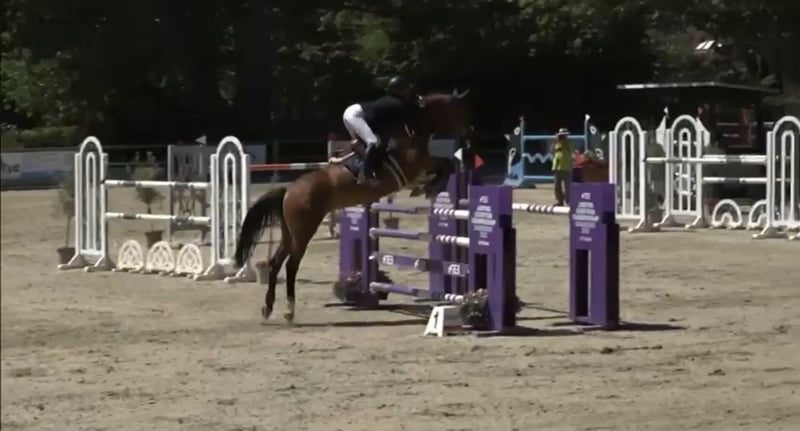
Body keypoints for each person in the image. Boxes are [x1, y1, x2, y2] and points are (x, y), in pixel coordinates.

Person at [332, 76, 419, 181]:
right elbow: (407, 118)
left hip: (355, 113)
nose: (409, 91)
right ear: (400, 90)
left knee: (364, 145)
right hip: (356, 115)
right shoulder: (397, 104)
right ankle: (365, 175)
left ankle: (345, 162)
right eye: (406, 89)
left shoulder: (393, 102)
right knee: (373, 142)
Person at [551, 128, 573, 206]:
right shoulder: (556, 143)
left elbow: (570, 150)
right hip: (557, 167)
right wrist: (555, 141)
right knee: (557, 186)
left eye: (563, 135)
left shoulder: (569, 142)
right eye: (561, 135)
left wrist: (563, 141)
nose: (562, 137)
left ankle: (568, 201)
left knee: (567, 186)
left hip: (566, 167)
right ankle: (560, 201)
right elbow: (552, 151)